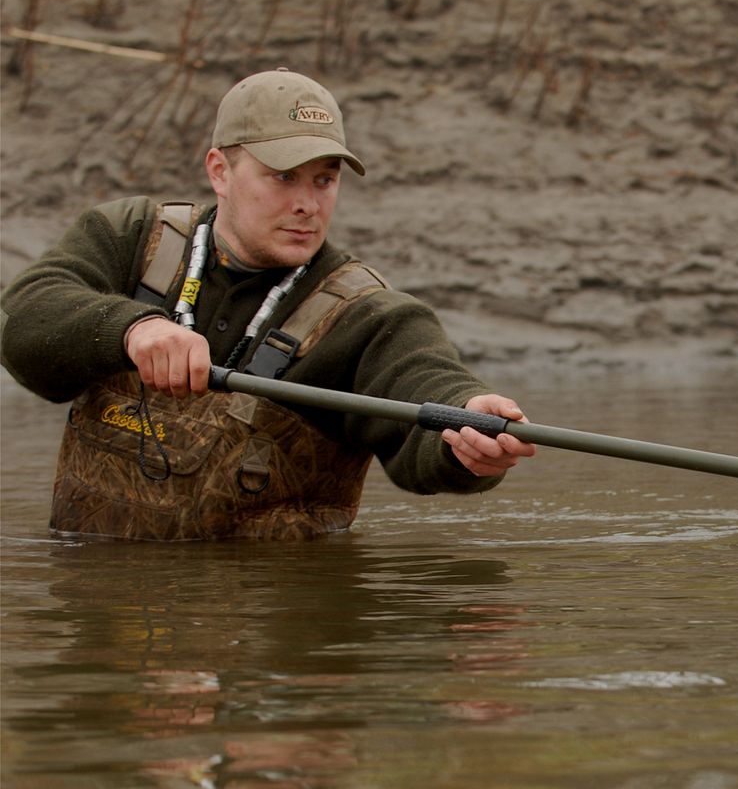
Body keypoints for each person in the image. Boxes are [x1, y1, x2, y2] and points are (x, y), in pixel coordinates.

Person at [0, 68, 536, 541]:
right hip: (100, 612)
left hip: (267, 633)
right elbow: (25, 320)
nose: (307, 203)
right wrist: (134, 330)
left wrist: (468, 431)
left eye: (325, 180)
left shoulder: (370, 315)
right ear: (219, 171)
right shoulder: (129, 237)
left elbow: (424, 385)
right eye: (283, 177)